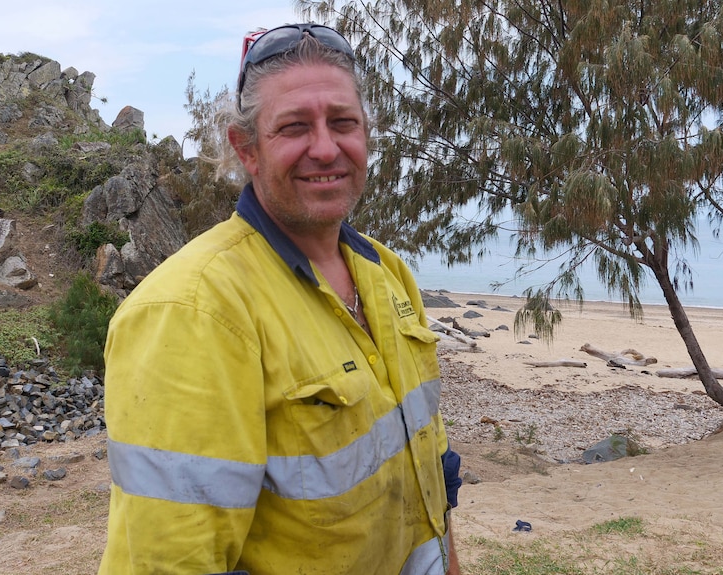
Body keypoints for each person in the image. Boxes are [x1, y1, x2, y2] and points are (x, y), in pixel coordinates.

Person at [98, 23, 462, 575]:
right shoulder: (193, 312)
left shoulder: (386, 273)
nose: (325, 147)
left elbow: (428, 471)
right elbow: (169, 560)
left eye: (343, 122)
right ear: (246, 148)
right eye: (294, 128)